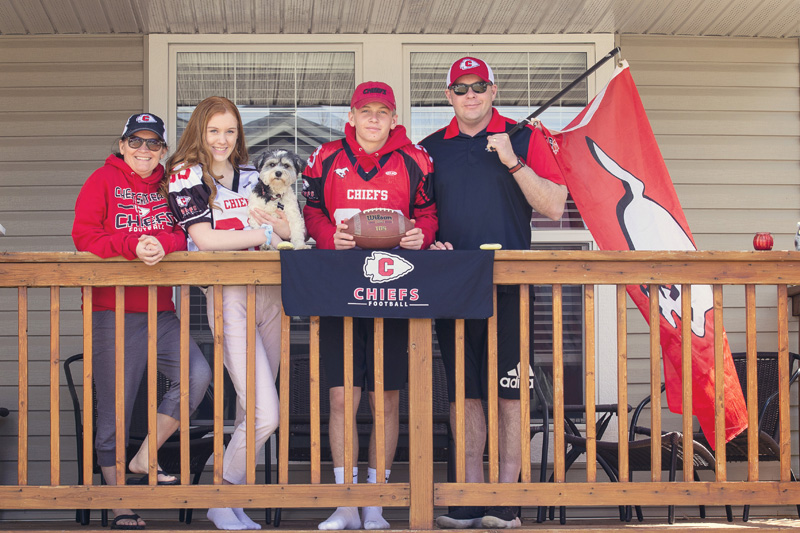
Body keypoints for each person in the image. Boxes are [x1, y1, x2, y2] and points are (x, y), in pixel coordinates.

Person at [420, 57, 568, 529]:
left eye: (478, 86)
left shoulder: (524, 138)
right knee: (465, 397)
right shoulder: (429, 150)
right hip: (453, 287)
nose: (470, 95)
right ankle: (468, 495)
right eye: (460, 88)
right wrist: (430, 241)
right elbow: (419, 217)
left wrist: (512, 159)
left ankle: (506, 498)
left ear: (492, 89)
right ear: (448, 96)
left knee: (509, 394)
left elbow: (554, 204)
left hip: (510, 288)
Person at [302, 81, 437, 530]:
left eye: (382, 111)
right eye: (366, 111)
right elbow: (309, 210)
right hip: (340, 288)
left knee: (386, 400)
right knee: (342, 398)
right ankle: (345, 503)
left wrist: (423, 235)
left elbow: (430, 212)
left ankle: (375, 504)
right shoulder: (326, 157)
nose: (374, 119)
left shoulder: (415, 159)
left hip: (393, 288)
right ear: (352, 115)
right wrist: (328, 236)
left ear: (394, 118)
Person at [72, 112, 213, 530]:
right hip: (110, 312)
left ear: (163, 151)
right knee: (114, 413)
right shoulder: (102, 180)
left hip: (161, 311)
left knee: (197, 377)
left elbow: (185, 233)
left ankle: (146, 455)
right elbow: (85, 236)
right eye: (136, 142)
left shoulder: (172, 184)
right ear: (122, 145)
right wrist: (134, 243)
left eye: (153, 144)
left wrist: (160, 243)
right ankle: (120, 504)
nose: (144, 151)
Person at [165, 96, 289, 531]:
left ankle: (228, 499)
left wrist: (274, 228)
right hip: (227, 293)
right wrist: (263, 230)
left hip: (271, 295)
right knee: (265, 413)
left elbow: (292, 226)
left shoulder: (255, 174)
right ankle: (221, 499)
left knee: (247, 410)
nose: (222, 139)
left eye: (230, 131)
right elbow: (205, 240)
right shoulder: (186, 175)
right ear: (200, 130)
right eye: (214, 130)